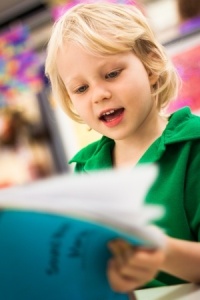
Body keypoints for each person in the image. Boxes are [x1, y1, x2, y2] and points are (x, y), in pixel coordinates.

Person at [45, 1, 200, 294]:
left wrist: (157, 251)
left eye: (112, 74)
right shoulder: (86, 171)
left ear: (151, 65)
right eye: (81, 88)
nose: (99, 95)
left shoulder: (193, 146)